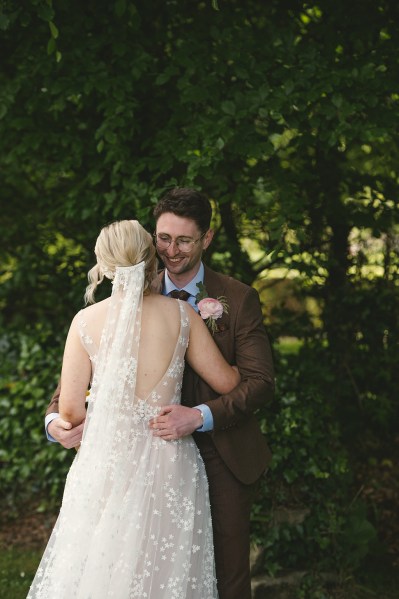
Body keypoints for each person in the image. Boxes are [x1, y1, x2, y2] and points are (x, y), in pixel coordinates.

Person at [46, 188, 275, 599]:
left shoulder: (238, 298)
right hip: (141, 458)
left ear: (206, 238)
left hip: (220, 448)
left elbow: (259, 383)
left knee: (225, 571)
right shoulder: (140, 300)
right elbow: (67, 395)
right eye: (163, 239)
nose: (171, 250)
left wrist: (199, 415)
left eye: (184, 240)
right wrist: (53, 425)